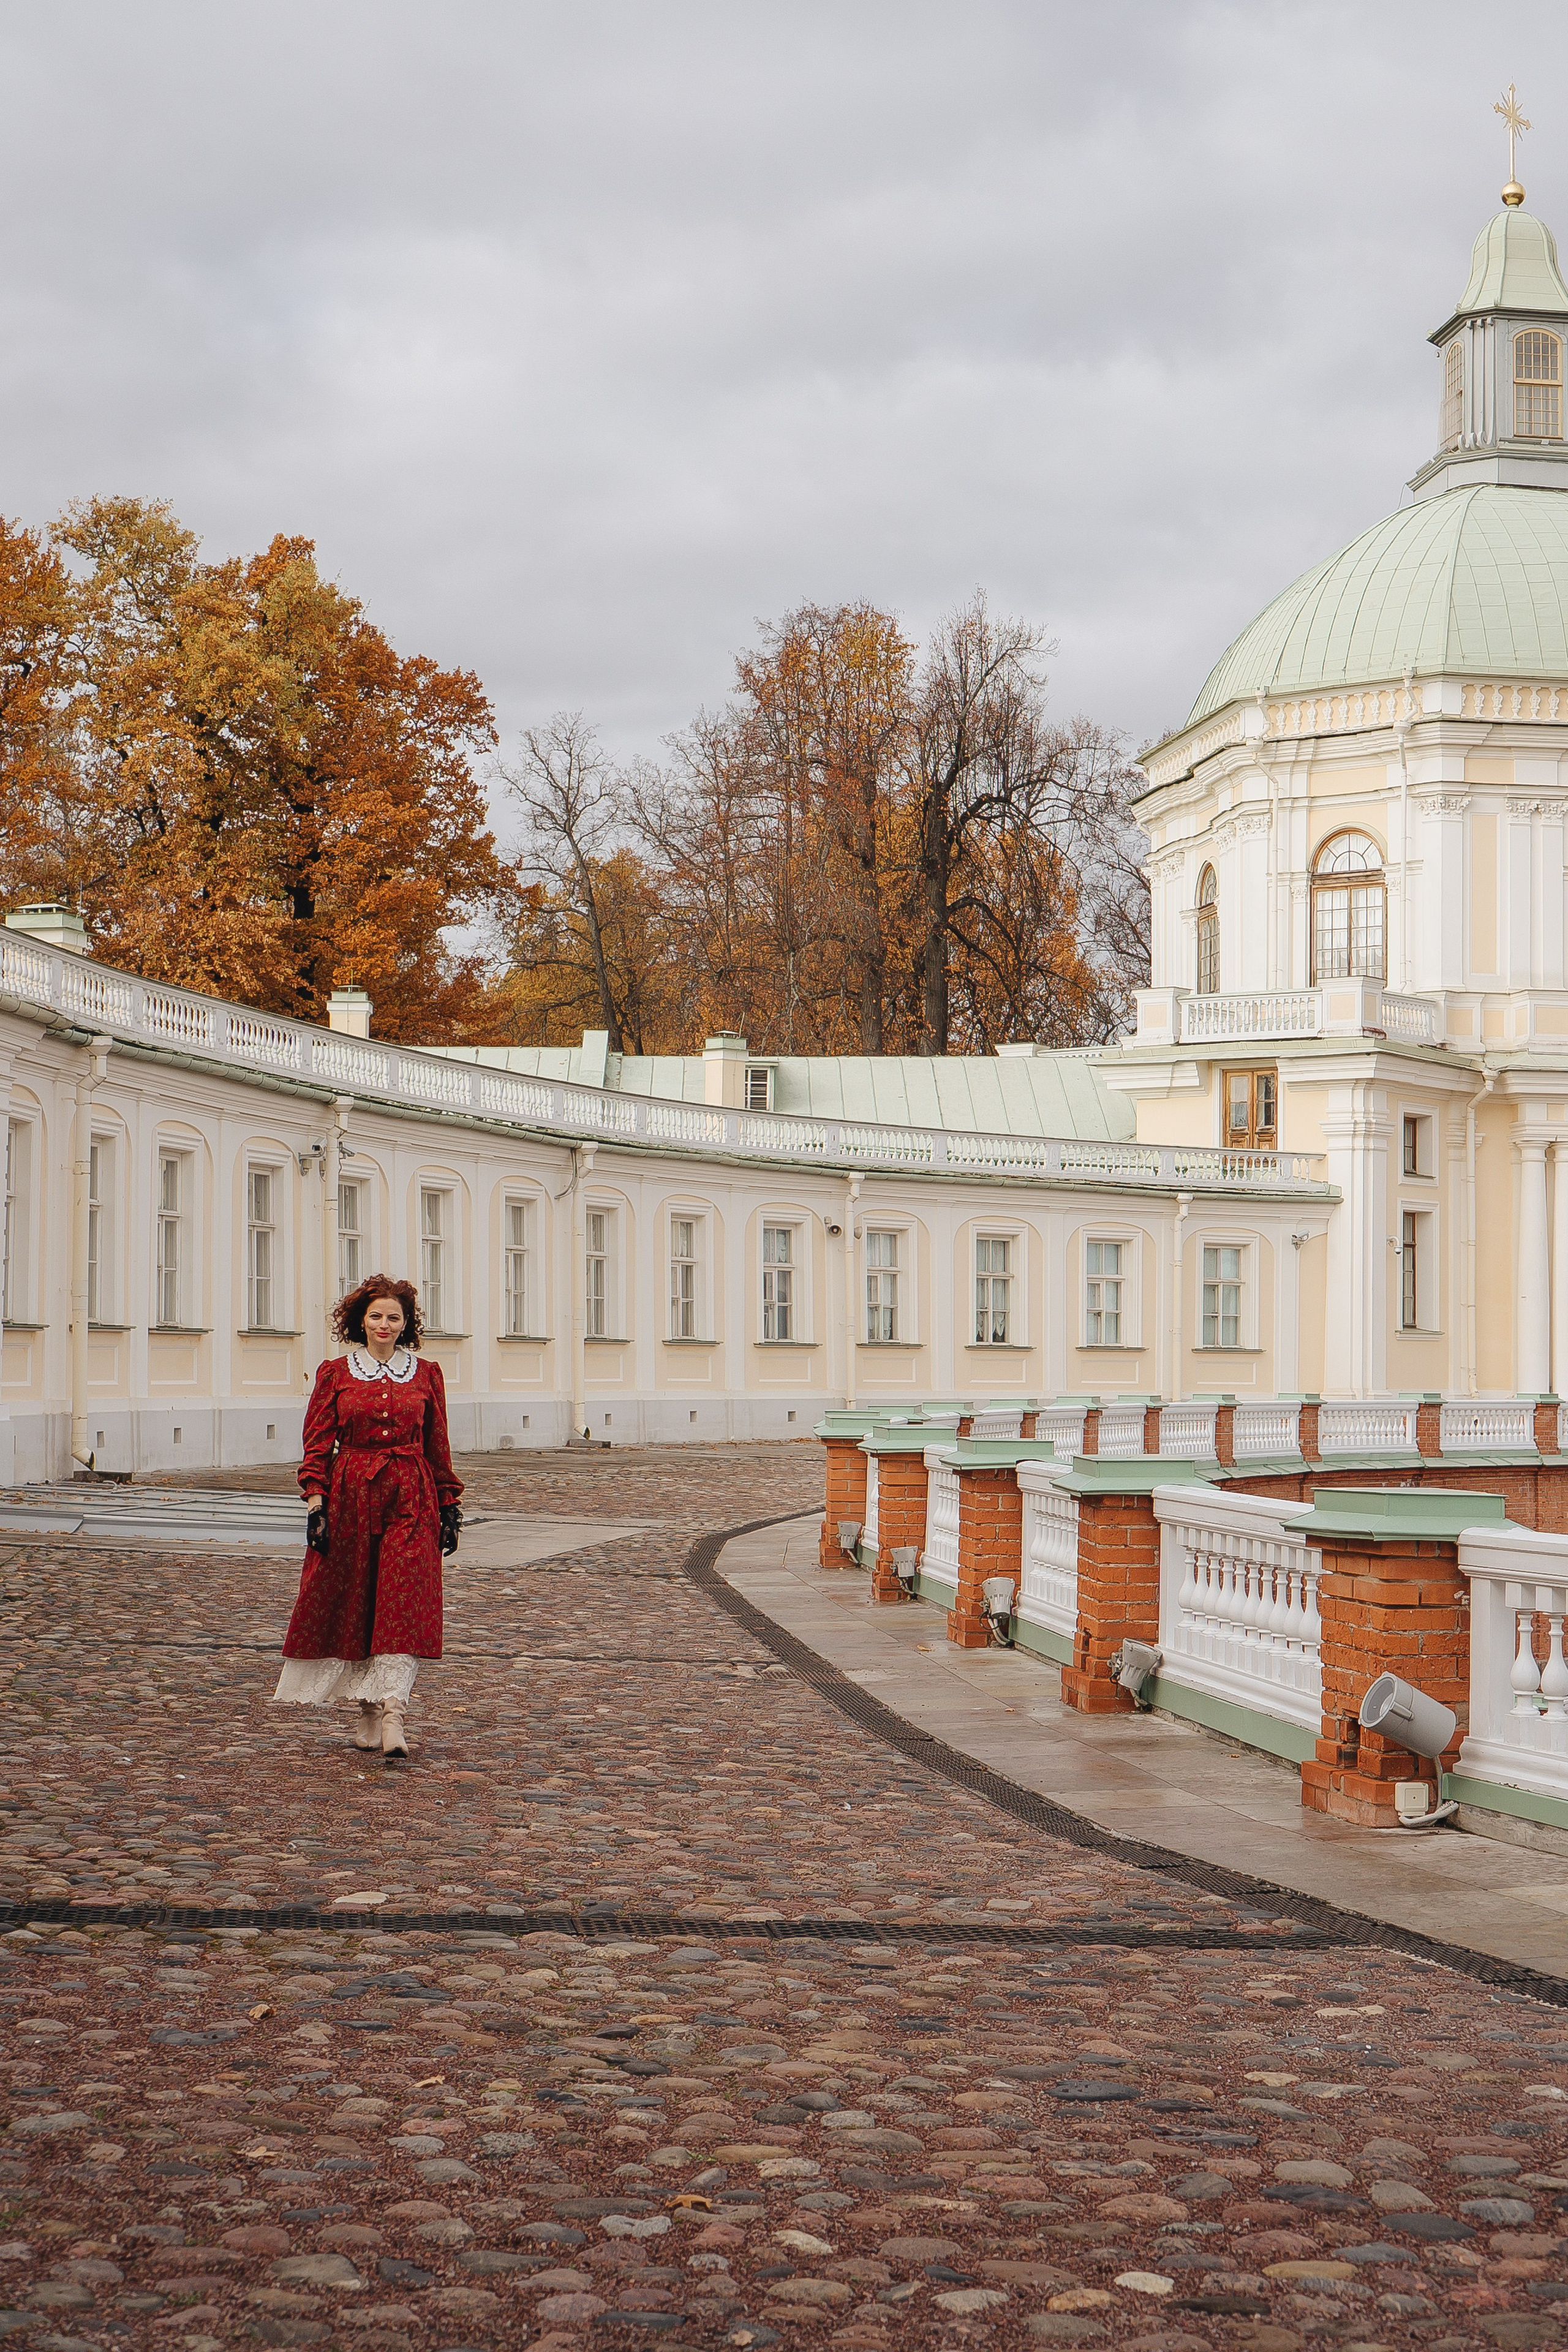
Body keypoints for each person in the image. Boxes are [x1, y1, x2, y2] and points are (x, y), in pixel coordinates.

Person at [272, 1274, 462, 1757]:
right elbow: (316, 1444)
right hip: (351, 1494)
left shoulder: (426, 1374)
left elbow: (438, 1444)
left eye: (393, 1317)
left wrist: (449, 1504)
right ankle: (368, 1709)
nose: (384, 1324)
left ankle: (396, 1710)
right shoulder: (335, 1373)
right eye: (376, 1315)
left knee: (404, 1599)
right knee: (357, 1600)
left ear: (406, 1325)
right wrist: (316, 1505)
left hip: (411, 1495)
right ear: (360, 1320)